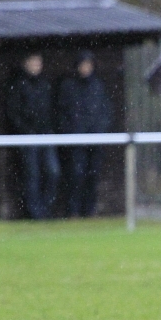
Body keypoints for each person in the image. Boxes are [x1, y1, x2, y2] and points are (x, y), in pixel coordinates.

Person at [56, 51, 112, 217]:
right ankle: (73, 210)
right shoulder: (68, 86)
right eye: (83, 65)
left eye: (88, 65)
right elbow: (61, 113)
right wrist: (70, 131)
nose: (86, 68)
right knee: (76, 175)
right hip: (76, 140)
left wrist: (99, 130)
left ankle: (89, 210)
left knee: (92, 175)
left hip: (95, 139)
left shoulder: (98, 86)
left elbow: (106, 111)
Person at [6, 52, 60, 220]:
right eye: (33, 62)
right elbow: (13, 112)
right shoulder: (18, 84)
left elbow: (52, 109)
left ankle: (45, 209)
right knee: (32, 174)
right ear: (25, 63)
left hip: (46, 135)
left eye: (38, 62)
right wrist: (26, 130)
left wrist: (50, 128)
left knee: (53, 171)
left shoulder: (45, 84)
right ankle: (35, 213)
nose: (36, 65)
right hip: (28, 137)